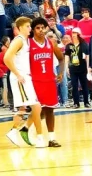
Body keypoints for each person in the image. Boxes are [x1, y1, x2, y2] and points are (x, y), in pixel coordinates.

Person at [4, 16, 45, 149]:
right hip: (20, 77)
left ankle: (20, 130)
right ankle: (37, 136)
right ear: (19, 28)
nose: (30, 28)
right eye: (27, 26)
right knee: (35, 106)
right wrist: (17, 74)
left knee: (29, 107)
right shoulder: (19, 40)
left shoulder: (26, 41)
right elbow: (6, 58)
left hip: (25, 76)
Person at [28, 17, 64, 147]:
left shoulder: (51, 43)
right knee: (38, 110)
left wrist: (60, 73)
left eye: (42, 27)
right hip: (35, 81)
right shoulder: (28, 43)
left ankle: (51, 138)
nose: (41, 30)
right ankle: (30, 132)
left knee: (49, 110)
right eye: (37, 28)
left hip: (49, 80)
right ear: (33, 30)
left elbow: (61, 58)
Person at [66, 27, 90, 108]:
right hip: (73, 68)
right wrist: (67, 68)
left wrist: (88, 68)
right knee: (74, 85)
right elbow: (67, 57)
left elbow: (87, 56)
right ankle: (76, 103)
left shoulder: (84, 45)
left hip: (82, 67)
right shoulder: (69, 46)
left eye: (75, 33)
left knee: (84, 85)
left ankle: (87, 102)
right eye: (72, 33)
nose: (74, 35)